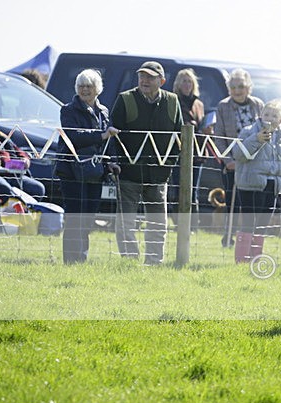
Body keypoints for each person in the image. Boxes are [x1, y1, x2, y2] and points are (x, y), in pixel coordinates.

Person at [110, 60, 183, 265]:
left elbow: (179, 137)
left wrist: (168, 165)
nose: (144, 80)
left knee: (158, 223)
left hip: (159, 175)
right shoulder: (125, 99)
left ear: (162, 80)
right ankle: (130, 261)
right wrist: (116, 164)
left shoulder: (172, 101)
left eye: (150, 77)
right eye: (142, 76)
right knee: (126, 222)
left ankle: (154, 262)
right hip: (128, 173)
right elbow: (113, 136)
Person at [55, 69, 120, 264]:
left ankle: (81, 259)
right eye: (81, 86)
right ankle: (70, 261)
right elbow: (73, 137)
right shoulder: (68, 110)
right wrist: (101, 135)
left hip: (95, 172)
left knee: (88, 218)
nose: (85, 90)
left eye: (89, 86)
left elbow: (109, 142)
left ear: (97, 89)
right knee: (74, 217)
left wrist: (112, 161)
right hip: (72, 173)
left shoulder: (104, 111)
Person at [232, 99, 281, 262]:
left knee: (263, 223)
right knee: (249, 220)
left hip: (273, 184)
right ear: (260, 115)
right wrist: (256, 139)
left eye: (274, 115)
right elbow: (238, 154)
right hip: (250, 183)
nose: (269, 118)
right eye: (266, 114)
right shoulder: (248, 131)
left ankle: (256, 257)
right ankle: (241, 259)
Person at [214, 69, 265, 247]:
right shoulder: (223, 106)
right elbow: (218, 136)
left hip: (255, 163)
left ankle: (250, 239)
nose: (237, 90)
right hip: (232, 162)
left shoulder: (258, 104)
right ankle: (228, 238)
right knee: (232, 203)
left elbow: (265, 129)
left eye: (241, 86)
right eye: (234, 87)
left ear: (248, 87)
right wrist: (228, 161)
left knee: (252, 202)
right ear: (229, 88)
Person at [170, 68, 205, 222]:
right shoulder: (173, 100)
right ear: (178, 83)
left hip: (196, 151)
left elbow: (201, 124)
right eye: (184, 81)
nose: (187, 84)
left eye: (189, 81)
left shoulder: (199, 103)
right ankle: (179, 222)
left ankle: (192, 224)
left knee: (193, 190)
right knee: (179, 188)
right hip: (179, 149)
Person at [0, 126, 46, 199]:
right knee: (6, 189)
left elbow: (18, 151)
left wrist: (24, 159)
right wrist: (6, 162)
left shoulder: (0, 135)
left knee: (38, 188)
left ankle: (29, 209)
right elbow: (3, 161)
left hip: (13, 173)